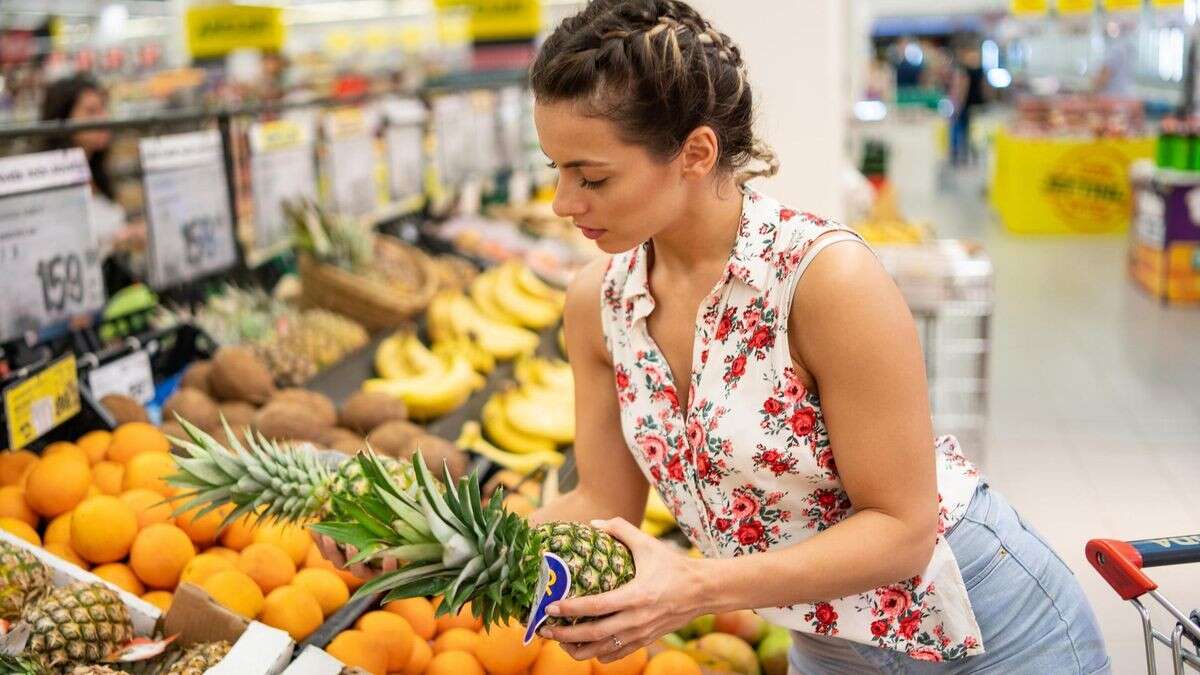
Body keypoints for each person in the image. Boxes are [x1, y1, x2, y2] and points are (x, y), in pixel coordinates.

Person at [315, 1, 1110, 672]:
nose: (562, 202)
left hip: (991, 626)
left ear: (696, 152)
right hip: (828, 642)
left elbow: (903, 530)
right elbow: (602, 499)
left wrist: (694, 585)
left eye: (591, 176)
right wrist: (430, 542)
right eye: (555, 169)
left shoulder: (823, 281)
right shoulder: (599, 302)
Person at [40, 73, 145, 293]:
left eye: (103, 108)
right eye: (90, 111)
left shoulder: (96, 173)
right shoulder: (48, 182)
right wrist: (116, 239)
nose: (103, 117)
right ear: (63, 119)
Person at [949, 43, 986, 166]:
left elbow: (963, 88)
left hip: (968, 104)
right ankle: (972, 155)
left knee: (963, 130)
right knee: (975, 131)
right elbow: (984, 87)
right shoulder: (980, 70)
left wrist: (959, 104)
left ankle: (960, 154)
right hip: (978, 104)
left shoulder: (966, 70)